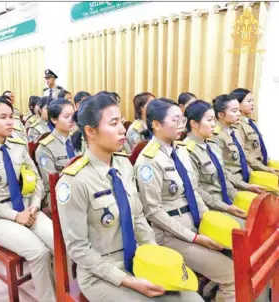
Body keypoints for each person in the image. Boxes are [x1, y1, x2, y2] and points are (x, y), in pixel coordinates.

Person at [56, 94, 202, 302]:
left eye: (121, 121)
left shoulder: (124, 165)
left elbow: (138, 216)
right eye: (113, 123)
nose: (122, 129)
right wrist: (128, 280)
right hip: (101, 274)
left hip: (138, 258)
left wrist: (154, 255)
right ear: (90, 131)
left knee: (192, 299)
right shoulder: (74, 181)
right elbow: (78, 249)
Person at [134, 98, 236, 302]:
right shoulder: (148, 161)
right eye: (175, 120)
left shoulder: (180, 150)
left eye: (182, 119)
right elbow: (153, 212)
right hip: (171, 234)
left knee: (238, 253)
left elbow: (193, 190)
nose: (182, 124)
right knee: (232, 275)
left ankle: (209, 292)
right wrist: (196, 238)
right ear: (156, 124)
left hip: (195, 224)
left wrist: (209, 221)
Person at [0, 97, 55, 301]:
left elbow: (37, 181)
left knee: (59, 243)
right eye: (3, 117)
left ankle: (63, 291)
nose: (10, 122)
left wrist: (34, 205)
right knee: (39, 252)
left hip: (29, 209)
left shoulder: (18, 146)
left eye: (12, 117)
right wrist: (16, 216)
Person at [183, 100, 246, 227]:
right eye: (209, 120)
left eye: (213, 120)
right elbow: (196, 190)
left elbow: (223, 177)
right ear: (194, 124)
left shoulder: (212, 145)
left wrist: (236, 196)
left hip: (226, 200)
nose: (214, 124)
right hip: (210, 206)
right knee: (246, 227)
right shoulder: (186, 151)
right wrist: (226, 208)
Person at [210, 94, 264, 194]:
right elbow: (222, 171)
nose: (239, 114)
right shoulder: (215, 136)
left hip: (246, 176)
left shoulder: (235, 130)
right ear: (221, 115)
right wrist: (246, 186)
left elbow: (244, 157)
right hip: (233, 183)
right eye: (234, 111)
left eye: (239, 110)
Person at [35, 98, 78, 208]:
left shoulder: (79, 139)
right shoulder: (45, 148)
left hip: (83, 191)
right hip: (60, 195)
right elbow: (51, 183)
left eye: (73, 116)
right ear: (54, 119)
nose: (71, 120)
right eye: (66, 116)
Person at [230, 88, 279, 176]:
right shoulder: (237, 125)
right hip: (252, 168)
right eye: (249, 101)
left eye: (252, 101)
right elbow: (244, 154)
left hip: (261, 164)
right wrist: (265, 169)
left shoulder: (251, 122)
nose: (252, 104)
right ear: (238, 104)